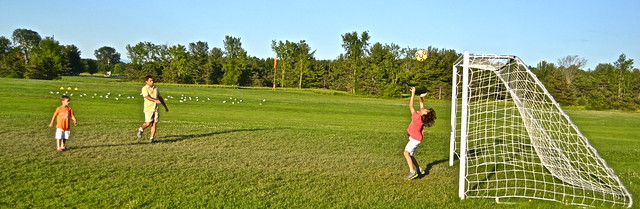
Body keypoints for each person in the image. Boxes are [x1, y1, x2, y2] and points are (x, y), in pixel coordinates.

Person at [403, 87, 436, 180]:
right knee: (411, 155)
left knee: (406, 153)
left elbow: (411, 106)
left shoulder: (417, 117)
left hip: (415, 139)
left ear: (424, 114)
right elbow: (421, 104)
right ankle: (419, 169)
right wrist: (421, 97)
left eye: (425, 110)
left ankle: (412, 172)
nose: (424, 109)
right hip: (417, 138)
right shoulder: (421, 115)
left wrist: (413, 94)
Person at [137, 75, 169, 143]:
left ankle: (151, 138)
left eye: (153, 80)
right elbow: (146, 97)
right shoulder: (144, 88)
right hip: (148, 108)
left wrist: (165, 106)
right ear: (147, 82)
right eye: (150, 81)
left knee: (154, 123)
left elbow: (160, 97)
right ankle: (141, 129)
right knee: (148, 123)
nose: (152, 82)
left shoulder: (156, 88)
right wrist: (155, 100)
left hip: (156, 108)